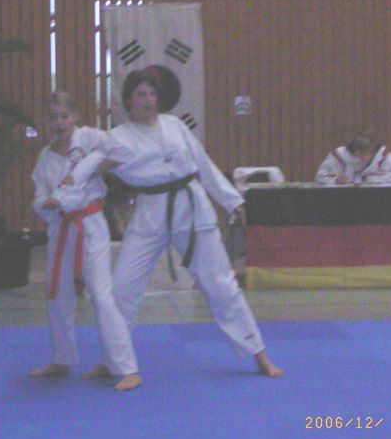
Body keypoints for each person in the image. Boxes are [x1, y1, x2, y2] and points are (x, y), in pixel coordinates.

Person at [67, 68, 283, 378]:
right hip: (149, 214)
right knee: (121, 289)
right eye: (141, 94)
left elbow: (203, 163)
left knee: (221, 285)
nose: (148, 100)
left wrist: (231, 201)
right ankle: (113, 359)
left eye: (152, 94)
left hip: (191, 209)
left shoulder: (175, 125)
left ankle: (258, 354)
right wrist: (67, 192)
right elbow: (90, 170)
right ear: (128, 100)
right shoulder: (117, 138)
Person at [29, 91, 141, 391]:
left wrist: (96, 165)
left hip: (90, 225)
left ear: (75, 116)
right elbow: (39, 196)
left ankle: (127, 367)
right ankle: (63, 358)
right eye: (52, 117)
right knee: (56, 294)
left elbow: (126, 152)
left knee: (101, 296)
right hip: (60, 227)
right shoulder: (45, 157)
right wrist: (48, 205)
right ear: (46, 121)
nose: (59, 122)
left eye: (64, 116)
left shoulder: (90, 138)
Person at [315, 130, 391, 185]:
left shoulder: (384, 155)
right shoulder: (339, 155)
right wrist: (336, 180)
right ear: (355, 152)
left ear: (373, 152)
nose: (360, 159)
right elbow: (320, 176)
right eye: (358, 155)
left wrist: (369, 178)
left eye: (364, 155)